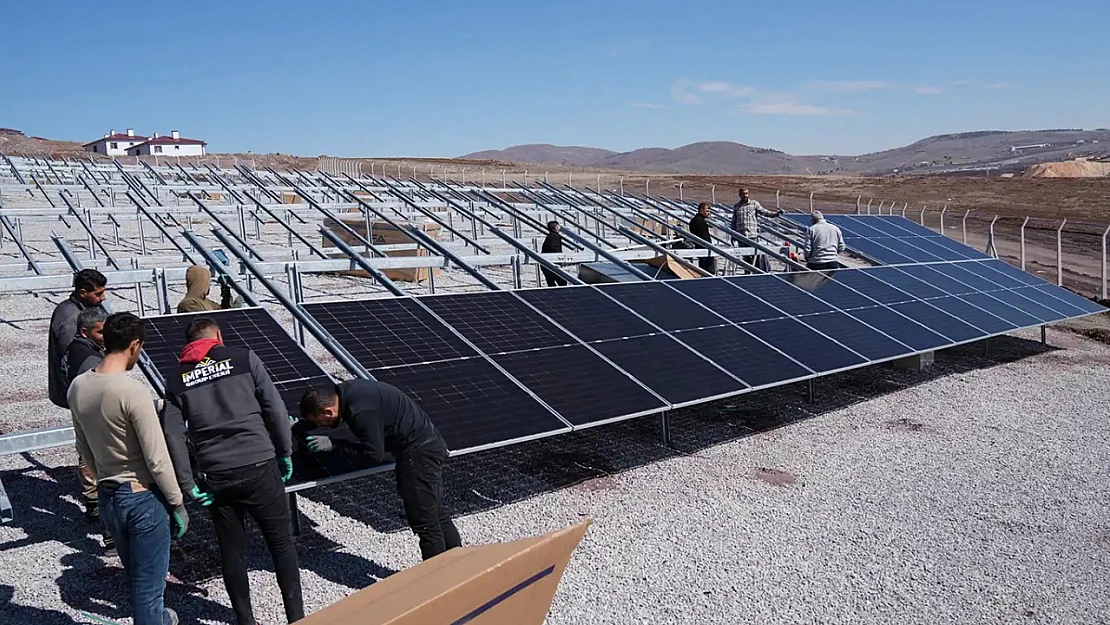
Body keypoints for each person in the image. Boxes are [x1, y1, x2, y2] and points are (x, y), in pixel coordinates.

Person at [161, 318, 304, 625]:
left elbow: (172, 434)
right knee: (281, 544)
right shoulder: (243, 358)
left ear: (188, 344)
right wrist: (284, 452)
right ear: (218, 337)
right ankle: (297, 618)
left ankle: (245, 620)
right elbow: (275, 408)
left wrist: (187, 483)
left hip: (218, 475)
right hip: (260, 465)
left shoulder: (176, 379)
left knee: (232, 552)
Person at [68, 312, 186, 625]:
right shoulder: (132, 392)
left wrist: (104, 477)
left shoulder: (78, 387)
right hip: (142, 497)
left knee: (136, 576)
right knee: (150, 588)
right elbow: (156, 457)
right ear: (134, 345)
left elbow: (84, 448)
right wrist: (177, 502)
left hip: (108, 496)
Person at [299, 380, 461, 561]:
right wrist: (300, 426)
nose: (320, 427)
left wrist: (334, 444)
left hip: (419, 455)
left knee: (425, 523)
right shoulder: (348, 391)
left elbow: (373, 454)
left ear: (328, 412)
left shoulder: (360, 413)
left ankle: (438, 580)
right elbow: (326, 415)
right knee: (434, 510)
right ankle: (459, 565)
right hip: (430, 444)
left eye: (318, 423)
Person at [48, 268, 108, 521]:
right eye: (98, 293)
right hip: (80, 391)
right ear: (82, 293)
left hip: (88, 388)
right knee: (87, 444)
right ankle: (93, 500)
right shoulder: (68, 320)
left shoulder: (83, 311)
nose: (103, 298)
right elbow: (72, 363)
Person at [730, 188, 783, 267]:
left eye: (746, 193)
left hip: (752, 235)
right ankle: (748, 273)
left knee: (756, 256)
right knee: (746, 258)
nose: (745, 195)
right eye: (743, 194)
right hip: (741, 236)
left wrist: (776, 214)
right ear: (739, 195)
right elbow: (734, 221)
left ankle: (758, 272)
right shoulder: (736, 207)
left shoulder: (754, 204)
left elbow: (764, 212)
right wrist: (733, 234)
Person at [63, 307, 107, 387]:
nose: (106, 336)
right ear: (84, 332)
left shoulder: (75, 345)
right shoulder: (91, 361)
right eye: (101, 332)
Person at [688, 202, 716, 274]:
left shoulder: (694, 221)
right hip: (705, 249)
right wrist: (712, 250)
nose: (708, 213)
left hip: (700, 247)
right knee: (709, 272)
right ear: (701, 210)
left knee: (703, 271)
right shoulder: (700, 222)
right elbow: (705, 237)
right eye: (707, 211)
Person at [540, 221, 567, 287]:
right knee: (562, 282)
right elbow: (554, 248)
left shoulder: (550, 236)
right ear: (556, 228)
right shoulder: (555, 236)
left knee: (551, 283)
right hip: (552, 263)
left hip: (546, 263)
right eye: (558, 226)